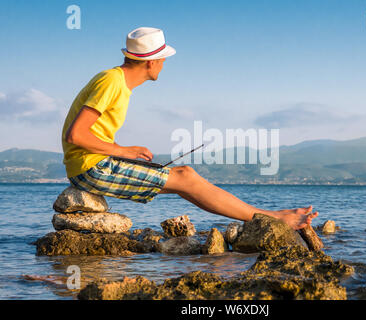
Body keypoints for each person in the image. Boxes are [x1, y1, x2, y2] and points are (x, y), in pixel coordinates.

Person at [62, 27, 318, 230]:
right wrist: (123, 151)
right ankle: (271, 218)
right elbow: (76, 135)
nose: (164, 64)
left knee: (186, 176)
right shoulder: (112, 81)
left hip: (94, 164)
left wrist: (122, 151)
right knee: (185, 178)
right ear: (152, 61)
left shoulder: (117, 82)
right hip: (91, 168)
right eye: (163, 59)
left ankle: (265, 217)